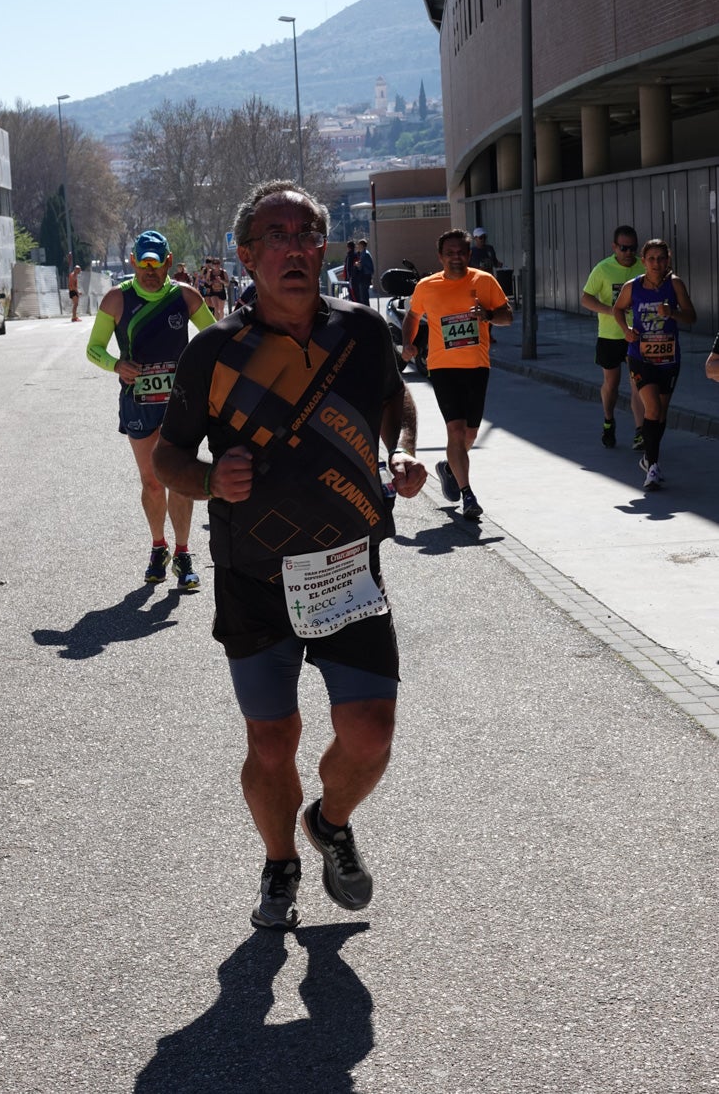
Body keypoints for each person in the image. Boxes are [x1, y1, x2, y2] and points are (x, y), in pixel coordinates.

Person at [152, 179, 426, 930]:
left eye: (307, 235)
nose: (297, 248)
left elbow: (393, 401)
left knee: (369, 731)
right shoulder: (213, 353)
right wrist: (210, 479)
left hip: (346, 568)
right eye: (278, 235)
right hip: (254, 577)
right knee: (272, 740)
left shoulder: (362, 332)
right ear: (247, 254)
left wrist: (400, 455)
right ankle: (279, 864)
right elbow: (169, 460)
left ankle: (329, 821)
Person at [86, 229, 215, 588]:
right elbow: (93, 349)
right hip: (138, 403)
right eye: (142, 263)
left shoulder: (185, 297)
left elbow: (216, 340)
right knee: (152, 481)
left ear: (168, 263)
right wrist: (116, 365)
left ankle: (184, 552)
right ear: (132, 262)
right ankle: (158, 547)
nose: (149, 270)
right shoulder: (116, 299)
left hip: (180, 404)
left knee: (181, 478)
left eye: (155, 264)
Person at [401, 228, 512, 520]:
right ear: (440, 257)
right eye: (450, 253)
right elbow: (412, 316)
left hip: (477, 366)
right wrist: (408, 343)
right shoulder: (427, 286)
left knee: (470, 434)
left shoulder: (484, 281)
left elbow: (507, 316)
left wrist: (487, 316)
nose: (456, 257)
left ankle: (450, 468)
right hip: (442, 367)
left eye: (461, 252)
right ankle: (468, 495)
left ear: (469, 253)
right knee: (456, 430)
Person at [613, 239, 696, 491]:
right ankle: (653, 467)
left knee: (661, 413)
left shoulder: (675, 284)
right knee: (652, 408)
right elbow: (617, 309)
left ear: (667, 260)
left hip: (669, 357)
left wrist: (672, 313)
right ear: (643, 260)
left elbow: (691, 316)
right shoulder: (633, 286)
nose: (656, 263)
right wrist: (626, 330)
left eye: (661, 258)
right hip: (640, 356)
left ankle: (649, 457)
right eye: (652, 258)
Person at [581, 226, 645, 450]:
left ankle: (640, 432)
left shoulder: (643, 266)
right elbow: (586, 299)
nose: (629, 253)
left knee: (638, 383)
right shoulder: (603, 269)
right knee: (612, 384)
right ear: (614, 247)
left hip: (636, 336)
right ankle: (609, 421)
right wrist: (610, 311)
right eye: (624, 248)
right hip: (610, 335)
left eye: (633, 248)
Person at [355, 239, 375, 306]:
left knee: (364, 296)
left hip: (365, 277)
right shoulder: (363, 253)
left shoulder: (365, 254)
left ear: (362, 246)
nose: (358, 246)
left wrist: (357, 264)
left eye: (359, 245)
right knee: (363, 295)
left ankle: (367, 311)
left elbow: (362, 265)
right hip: (364, 276)